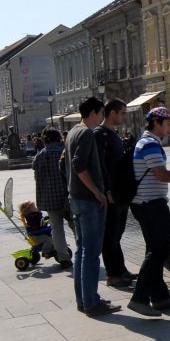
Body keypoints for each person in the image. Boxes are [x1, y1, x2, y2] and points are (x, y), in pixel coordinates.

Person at [127, 107, 170, 317]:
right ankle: (139, 298)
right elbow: (161, 175)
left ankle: (160, 297)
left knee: (154, 249)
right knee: (159, 250)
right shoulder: (150, 144)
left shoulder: (148, 142)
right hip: (150, 204)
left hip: (146, 203)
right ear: (156, 123)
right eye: (168, 123)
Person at [63, 97, 120, 316]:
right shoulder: (86, 133)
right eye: (101, 113)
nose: (101, 117)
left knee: (82, 251)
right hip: (87, 200)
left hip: (75, 199)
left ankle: (83, 299)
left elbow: (65, 164)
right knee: (91, 252)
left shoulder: (72, 132)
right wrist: (97, 191)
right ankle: (92, 302)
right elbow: (79, 165)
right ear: (94, 113)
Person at [94, 98, 137, 288]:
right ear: (112, 113)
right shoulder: (100, 134)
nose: (124, 116)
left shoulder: (113, 134)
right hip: (111, 192)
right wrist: (107, 190)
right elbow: (99, 165)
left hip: (120, 191)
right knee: (110, 234)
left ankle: (120, 269)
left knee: (118, 232)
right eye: (123, 113)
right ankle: (112, 274)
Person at [31, 128, 72, 268]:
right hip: (67, 197)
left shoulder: (39, 156)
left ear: (43, 140)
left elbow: (37, 178)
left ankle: (63, 257)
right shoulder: (63, 152)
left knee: (56, 229)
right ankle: (84, 253)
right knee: (76, 226)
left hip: (49, 200)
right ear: (59, 138)